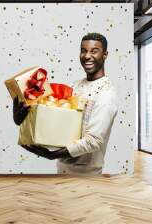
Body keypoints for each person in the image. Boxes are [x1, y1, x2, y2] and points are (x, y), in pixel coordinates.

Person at [13, 32, 118, 175]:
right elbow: (49, 118)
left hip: (87, 177)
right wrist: (21, 118)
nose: (87, 56)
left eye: (94, 51)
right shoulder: (73, 87)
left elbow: (94, 141)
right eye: (83, 51)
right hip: (62, 171)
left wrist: (51, 155)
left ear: (105, 55)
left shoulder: (106, 94)